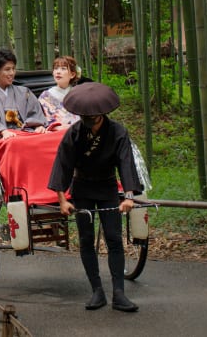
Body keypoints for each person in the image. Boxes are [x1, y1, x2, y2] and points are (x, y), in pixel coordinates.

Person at [48, 82, 142, 313]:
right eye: (85, 117)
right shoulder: (75, 133)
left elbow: (126, 163)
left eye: (94, 117)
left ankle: (119, 293)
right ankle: (96, 290)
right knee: (86, 239)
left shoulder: (118, 132)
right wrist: (63, 200)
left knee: (113, 237)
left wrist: (128, 196)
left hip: (108, 187)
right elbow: (62, 165)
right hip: (82, 189)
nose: (89, 120)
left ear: (103, 113)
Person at [0, 48, 46, 147]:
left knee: (50, 138)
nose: (12, 73)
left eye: (13, 68)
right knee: (14, 143)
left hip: (27, 134)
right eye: (7, 69)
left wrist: (38, 125)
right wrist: (3, 131)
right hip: (2, 139)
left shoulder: (24, 92)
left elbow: (35, 114)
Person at [37, 55, 88, 130]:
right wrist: (56, 127)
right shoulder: (45, 96)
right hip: (54, 132)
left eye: (63, 69)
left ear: (72, 74)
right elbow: (41, 119)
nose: (58, 72)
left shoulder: (78, 95)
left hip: (76, 132)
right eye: (56, 68)